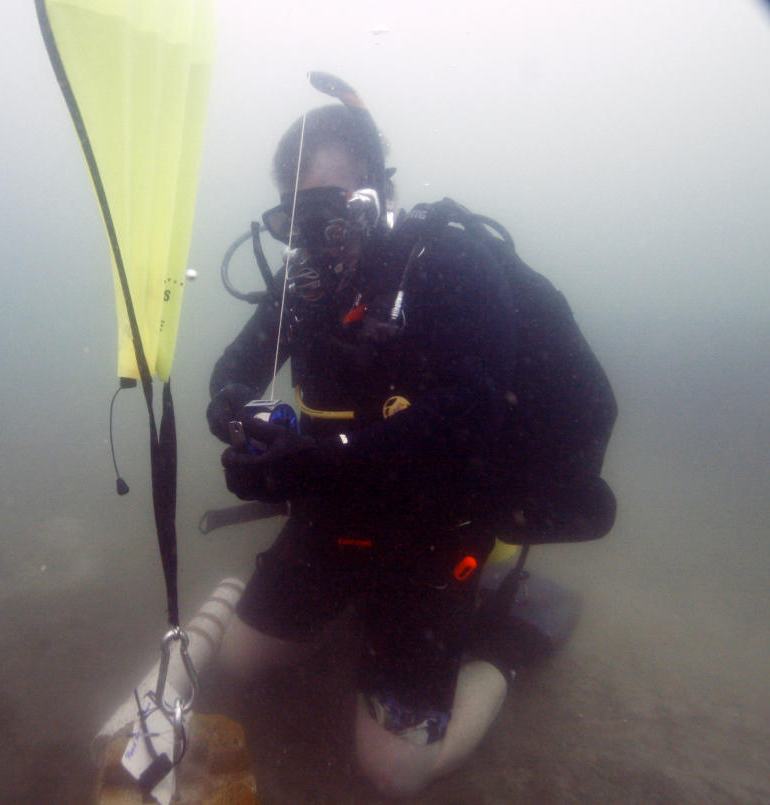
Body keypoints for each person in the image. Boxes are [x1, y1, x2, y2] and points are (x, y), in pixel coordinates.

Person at [204, 75, 616, 798]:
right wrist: (240, 421)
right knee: (238, 661)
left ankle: (509, 644)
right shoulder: (305, 285)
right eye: (295, 218)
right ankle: (350, 617)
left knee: (392, 772)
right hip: (333, 520)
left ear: (376, 194)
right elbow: (233, 370)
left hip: (436, 534)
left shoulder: (452, 264)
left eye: (330, 209)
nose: (315, 236)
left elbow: (467, 416)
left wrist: (311, 461)